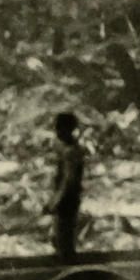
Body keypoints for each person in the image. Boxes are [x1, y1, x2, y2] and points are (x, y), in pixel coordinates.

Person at [48, 112, 87, 261]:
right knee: (62, 239)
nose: (56, 132)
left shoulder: (71, 152)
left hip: (67, 201)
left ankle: (67, 269)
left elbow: (68, 182)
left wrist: (55, 202)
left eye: (59, 128)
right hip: (68, 200)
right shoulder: (71, 149)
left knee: (63, 241)